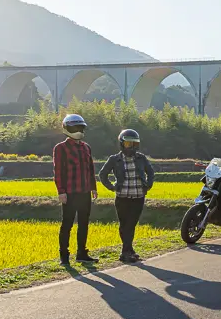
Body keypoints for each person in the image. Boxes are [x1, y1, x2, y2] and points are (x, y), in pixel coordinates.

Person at [99, 129, 155, 263]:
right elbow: (102, 174)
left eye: (134, 144)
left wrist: (148, 185)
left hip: (138, 197)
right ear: (122, 144)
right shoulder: (114, 159)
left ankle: (127, 251)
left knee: (131, 224)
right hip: (122, 197)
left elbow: (151, 172)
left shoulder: (141, 158)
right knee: (125, 225)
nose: (132, 147)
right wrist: (111, 187)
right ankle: (127, 251)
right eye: (129, 144)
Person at [53, 114, 98, 266]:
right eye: (75, 127)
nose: (78, 130)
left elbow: (90, 169)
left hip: (85, 191)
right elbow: (58, 171)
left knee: (84, 223)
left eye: (80, 127)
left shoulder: (86, 147)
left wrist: (93, 188)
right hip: (70, 193)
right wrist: (61, 191)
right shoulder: (60, 148)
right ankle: (64, 256)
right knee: (67, 224)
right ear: (66, 129)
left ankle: (82, 253)